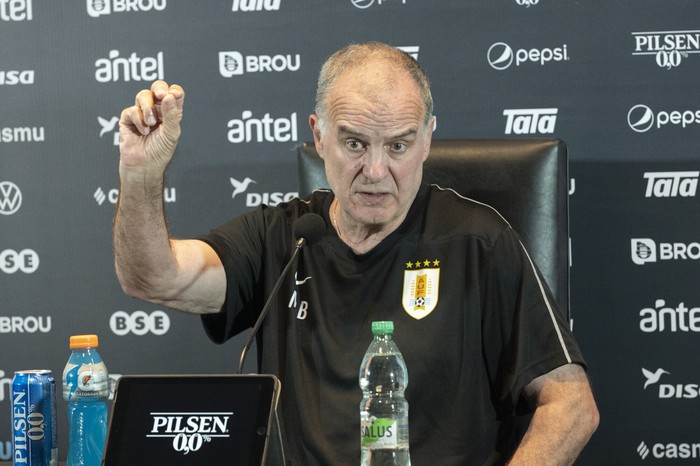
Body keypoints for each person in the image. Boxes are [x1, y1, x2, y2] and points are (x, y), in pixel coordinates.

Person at [114, 42, 599, 465]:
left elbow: (571, 404)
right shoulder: (284, 236)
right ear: (319, 135)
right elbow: (153, 278)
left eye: (399, 145)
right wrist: (140, 174)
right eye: (354, 142)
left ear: (427, 138)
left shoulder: (479, 242)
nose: (374, 169)